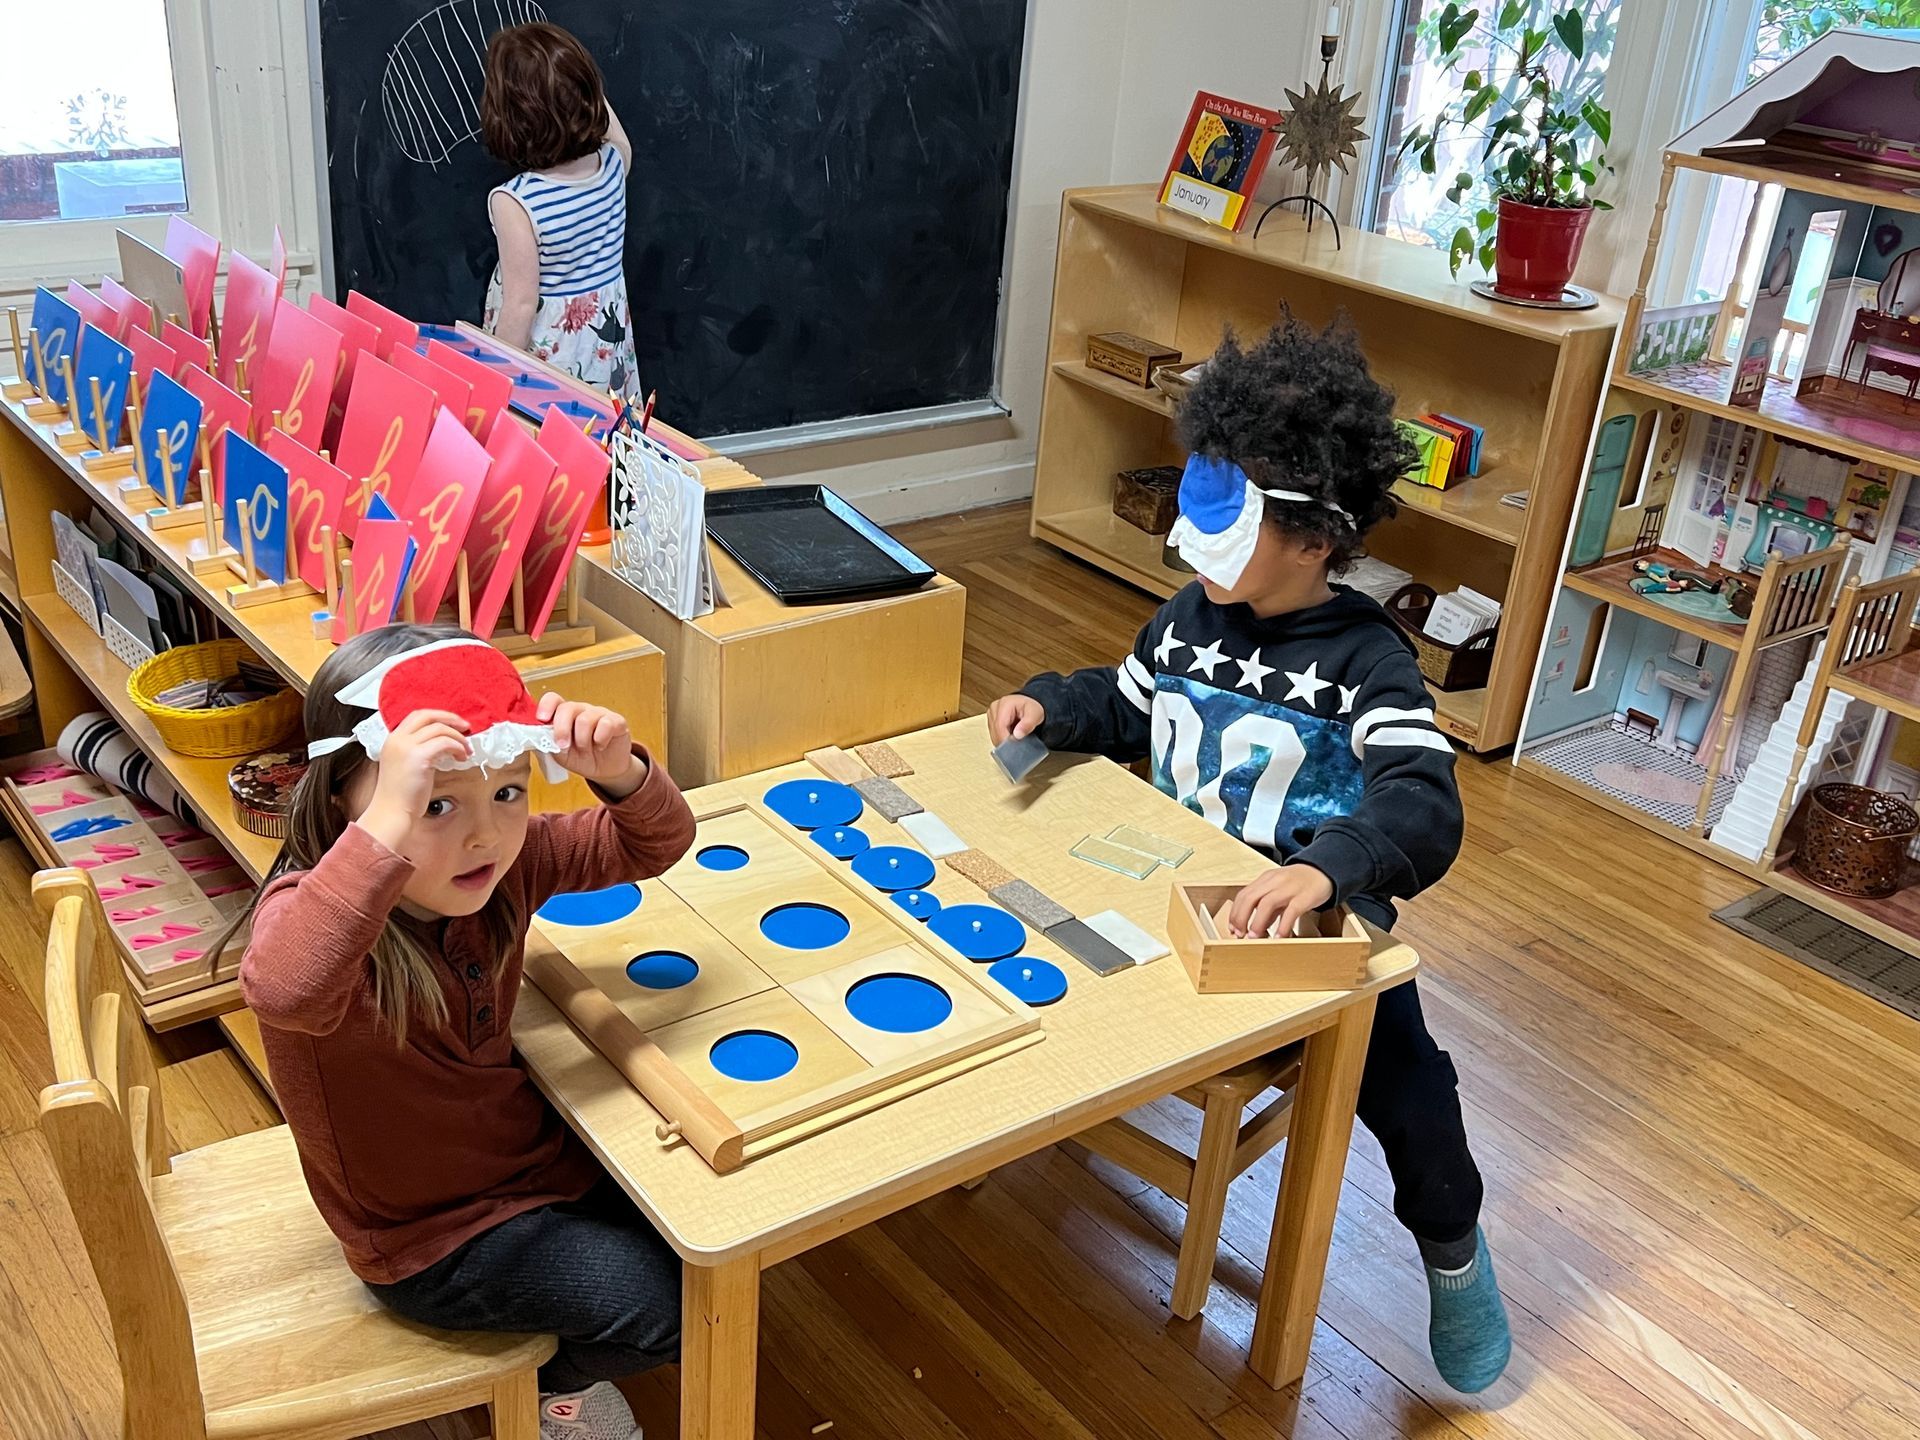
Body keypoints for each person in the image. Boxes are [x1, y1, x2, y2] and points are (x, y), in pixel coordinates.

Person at [987, 313, 1511, 1394]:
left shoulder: (1370, 662)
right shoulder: (1184, 619)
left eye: (1234, 510)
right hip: (1174, 912)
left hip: (1311, 936)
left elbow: (1424, 800)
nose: (1199, 531)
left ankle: (1454, 1252)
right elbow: (1127, 710)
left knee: (1410, 1086)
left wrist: (1330, 866)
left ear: (1317, 537)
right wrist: (1048, 704)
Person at [238, 624, 695, 1440]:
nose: (482, 834)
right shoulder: (313, 916)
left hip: (526, 1164)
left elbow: (656, 841)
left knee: (701, 1229)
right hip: (425, 1242)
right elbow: (282, 989)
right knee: (669, 1310)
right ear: (347, 801)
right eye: (435, 804)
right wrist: (387, 827)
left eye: (508, 792)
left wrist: (619, 771)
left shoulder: (503, 868)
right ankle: (539, 1396)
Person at [480, 22, 639, 395]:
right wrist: (575, 83)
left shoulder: (516, 202)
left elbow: (520, 305)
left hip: (551, 358)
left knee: (556, 444)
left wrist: (493, 384)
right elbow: (615, 134)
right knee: (605, 439)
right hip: (605, 351)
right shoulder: (613, 165)